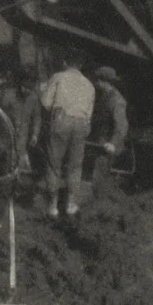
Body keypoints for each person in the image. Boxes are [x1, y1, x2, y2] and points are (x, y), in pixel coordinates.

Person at [39, 52, 94, 217]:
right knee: (75, 165)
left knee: (54, 162)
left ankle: (53, 205)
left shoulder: (58, 77)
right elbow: (89, 113)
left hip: (62, 120)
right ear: (81, 65)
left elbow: (46, 103)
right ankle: (70, 204)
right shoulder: (89, 84)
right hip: (82, 123)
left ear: (64, 62)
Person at [89, 65, 129, 197]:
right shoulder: (104, 96)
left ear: (103, 82)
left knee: (99, 178)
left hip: (109, 146)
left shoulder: (117, 101)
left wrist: (113, 143)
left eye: (97, 80)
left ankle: (102, 205)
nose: (95, 83)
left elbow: (122, 126)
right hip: (99, 142)